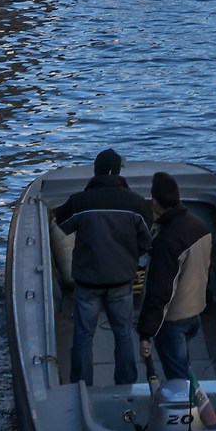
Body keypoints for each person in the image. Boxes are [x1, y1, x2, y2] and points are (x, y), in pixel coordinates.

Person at [57, 149, 153, 386]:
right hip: (121, 282)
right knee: (123, 335)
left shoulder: (80, 201)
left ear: (96, 170)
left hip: (87, 283)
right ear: (119, 172)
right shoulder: (137, 204)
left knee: (83, 337)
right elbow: (146, 241)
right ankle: (126, 383)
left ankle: (81, 387)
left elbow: (61, 225)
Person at [138, 170, 215, 383]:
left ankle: (189, 412)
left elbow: (159, 291)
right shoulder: (200, 226)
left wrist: (145, 333)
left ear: (155, 203)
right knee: (184, 367)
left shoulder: (167, 240)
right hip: (195, 314)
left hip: (173, 321)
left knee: (178, 379)